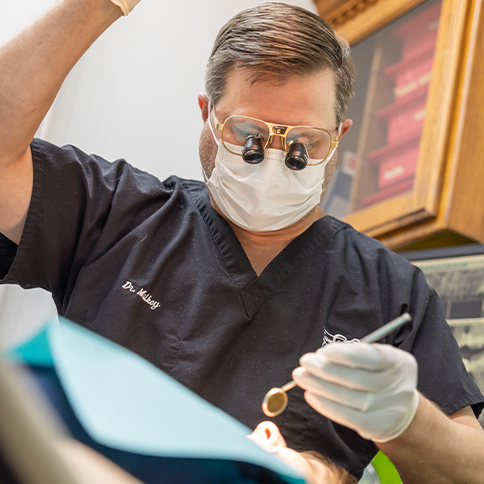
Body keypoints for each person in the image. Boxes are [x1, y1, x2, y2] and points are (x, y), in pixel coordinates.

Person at [0, 0, 483, 481]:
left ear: (339, 136)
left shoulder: (391, 290)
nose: (273, 161)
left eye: (303, 145)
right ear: (207, 115)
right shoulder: (116, 213)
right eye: (248, 135)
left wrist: (405, 420)